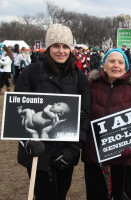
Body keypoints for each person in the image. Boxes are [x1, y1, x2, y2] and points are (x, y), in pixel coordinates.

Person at [14, 24, 91, 200]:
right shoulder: (31, 72)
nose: (61, 51)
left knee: (60, 194)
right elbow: (17, 110)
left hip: (65, 149)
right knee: (44, 195)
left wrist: (74, 148)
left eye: (65, 46)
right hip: (37, 150)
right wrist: (28, 142)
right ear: (48, 48)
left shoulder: (79, 77)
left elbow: (85, 114)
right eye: (56, 46)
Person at [82, 48, 131, 200]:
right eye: (111, 61)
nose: (116, 65)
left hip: (125, 157)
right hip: (96, 156)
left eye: (120, 62)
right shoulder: (91, 86)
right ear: (104, 65)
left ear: (126, 66)